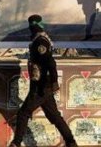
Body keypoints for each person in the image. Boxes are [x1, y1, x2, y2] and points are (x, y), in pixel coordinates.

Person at [9, 15, 77, 147]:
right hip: (42, 85)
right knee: (54, 116)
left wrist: (54, 81)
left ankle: (16, 143)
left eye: (32, 26)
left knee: (23, 113)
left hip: (41, 86)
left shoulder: (40, 42)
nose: (31, 29)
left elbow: (50, 62)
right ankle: (71, 142)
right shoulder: (39, 40)